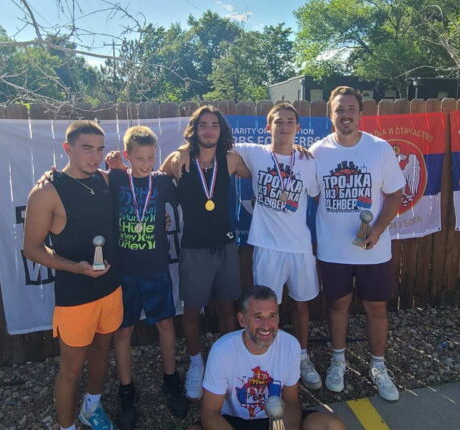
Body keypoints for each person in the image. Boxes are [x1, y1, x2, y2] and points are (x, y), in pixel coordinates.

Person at [176, 102, 322, 390]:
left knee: (301, 305)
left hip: (300, 247)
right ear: (268, 127)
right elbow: (211, 146)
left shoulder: (308, 161)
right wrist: (183, 150)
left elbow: (316, 193)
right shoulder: (254, 152)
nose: (284, 126)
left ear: (298, 127)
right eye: (278, 121)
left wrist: (300, 151)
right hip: (266, 247)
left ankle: (302, 357)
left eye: (289, 121)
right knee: (265, 310)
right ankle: (265, 361)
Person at [23, 120, 122, 430]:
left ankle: (91, 408)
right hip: (75, 297)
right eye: (86, 148)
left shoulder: (104, 180)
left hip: (111, 288)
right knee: (71, 370)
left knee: (102, 352)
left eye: (100, 149)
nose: (95, 156)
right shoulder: (46, 192)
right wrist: (75, 267)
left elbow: (143, 182)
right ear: (67, 148)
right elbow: (32, 249)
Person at [310, 86, 405, 401]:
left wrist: (377, 228)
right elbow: (312, 193)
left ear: (361, 113)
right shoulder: (318, 151)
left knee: (376, 308)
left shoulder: (379, 148)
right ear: (330, 115)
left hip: (372, 249)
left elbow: (395, 194)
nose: (345, 115)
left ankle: (378, 366)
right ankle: (338, 362)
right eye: (339, 109)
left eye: (351, 108)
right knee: (337, 305)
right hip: (333, 249)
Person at [160, 105, 250, 401]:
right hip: (194, 248)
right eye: (203, 125)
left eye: (214, 125)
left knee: (227, 309)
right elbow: (154, 183)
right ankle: (196, 363)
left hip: (225, 245)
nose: (209, 130)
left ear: (221, 130)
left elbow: (259, 169)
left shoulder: (231, 159)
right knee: (191, 311)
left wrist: (295, 150)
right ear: (194, 130)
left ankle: (227, 364)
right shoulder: (179, 159)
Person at [107, 126, 188, 428]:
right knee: (123, 331)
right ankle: (126, 390)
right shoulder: (117, 178)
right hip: (124, 272)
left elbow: (185, 195)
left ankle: (171, 379)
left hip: (156, 269)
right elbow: (87, 180)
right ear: (127, 155)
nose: (146, 164)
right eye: (139, 158)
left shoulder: (162, 182)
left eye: (150, 158)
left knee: (166, 324)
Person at [190, 285, 345, 430]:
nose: (266, 325)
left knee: (332, 426)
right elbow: (210, 414)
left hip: (277, 420)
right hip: (233, 422)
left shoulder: (290, 345)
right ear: (242, 320)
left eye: (272, 316)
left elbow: (291, 403)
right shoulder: (222, 350)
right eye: (258, 317)